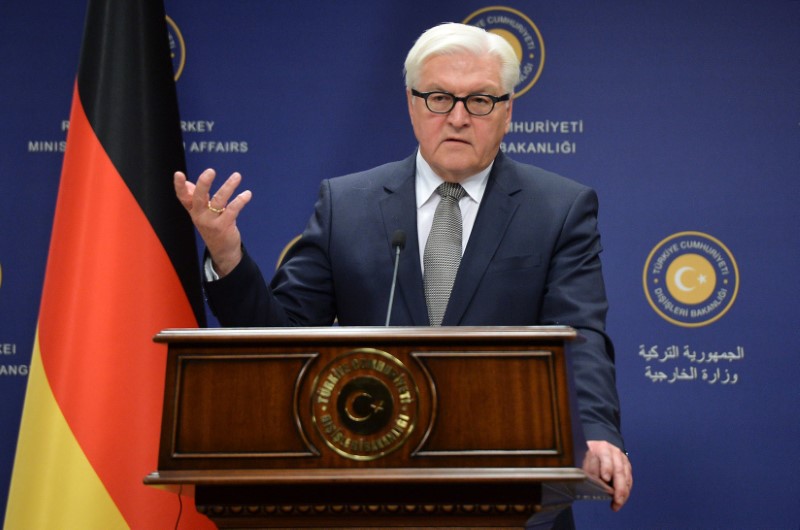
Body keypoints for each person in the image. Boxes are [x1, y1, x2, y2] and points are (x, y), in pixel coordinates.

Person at [174, 22, 632, 520]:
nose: (457, 117)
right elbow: (283, 342)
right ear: (412, 105)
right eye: (438, 98)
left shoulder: (559, 208)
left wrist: (597, 435)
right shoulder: (347, 204)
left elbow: (579, 336)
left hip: (510, 493)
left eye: (479, 100)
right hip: (369, 490)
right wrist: (227, 255)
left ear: (507, 112)